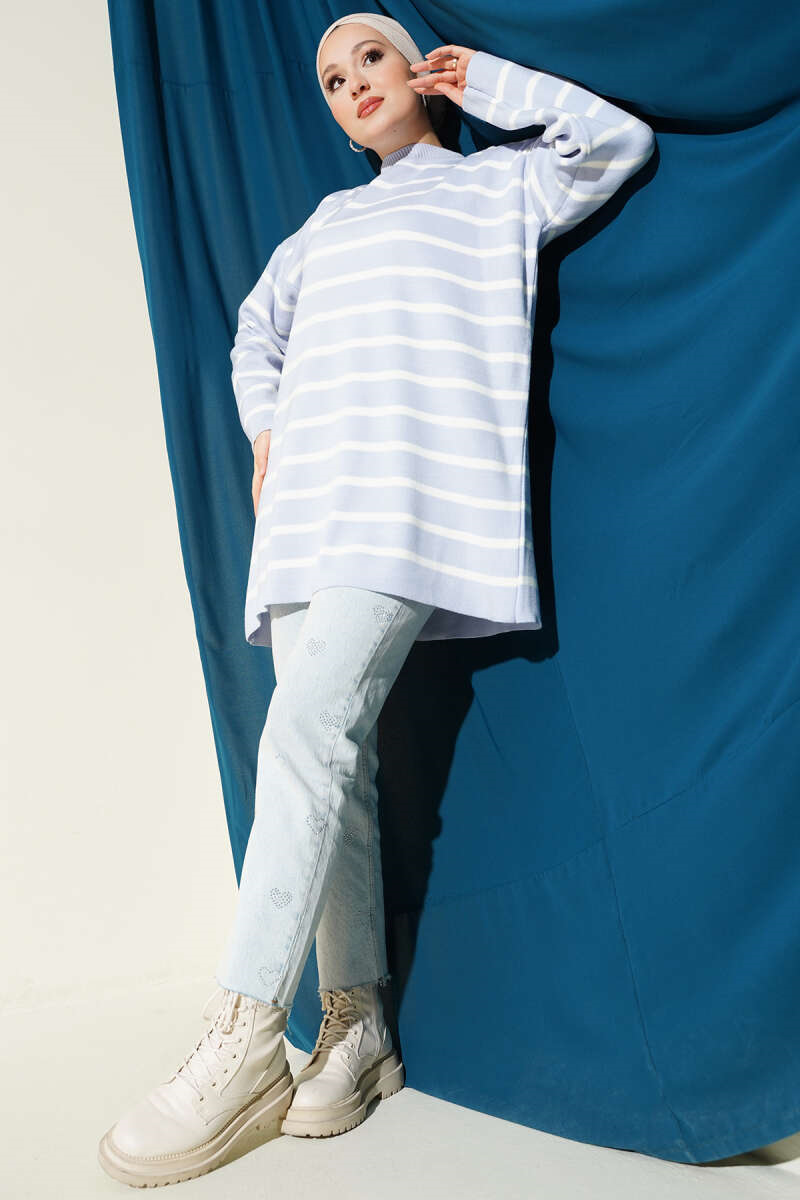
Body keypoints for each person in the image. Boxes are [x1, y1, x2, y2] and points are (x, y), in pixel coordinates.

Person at [98, 12, 656, 1188]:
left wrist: (489, 79)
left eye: (368, 57)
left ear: (416, 68)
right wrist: (266, 430)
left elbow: (613, 144)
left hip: (405, 503)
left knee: (303, 738)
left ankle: (247, 1031)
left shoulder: (497, 189)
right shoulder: (325, 225)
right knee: (331, 767)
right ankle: (356, 1031)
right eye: (329, 77)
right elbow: (252, 336)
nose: (351, 82)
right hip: (307, 514)